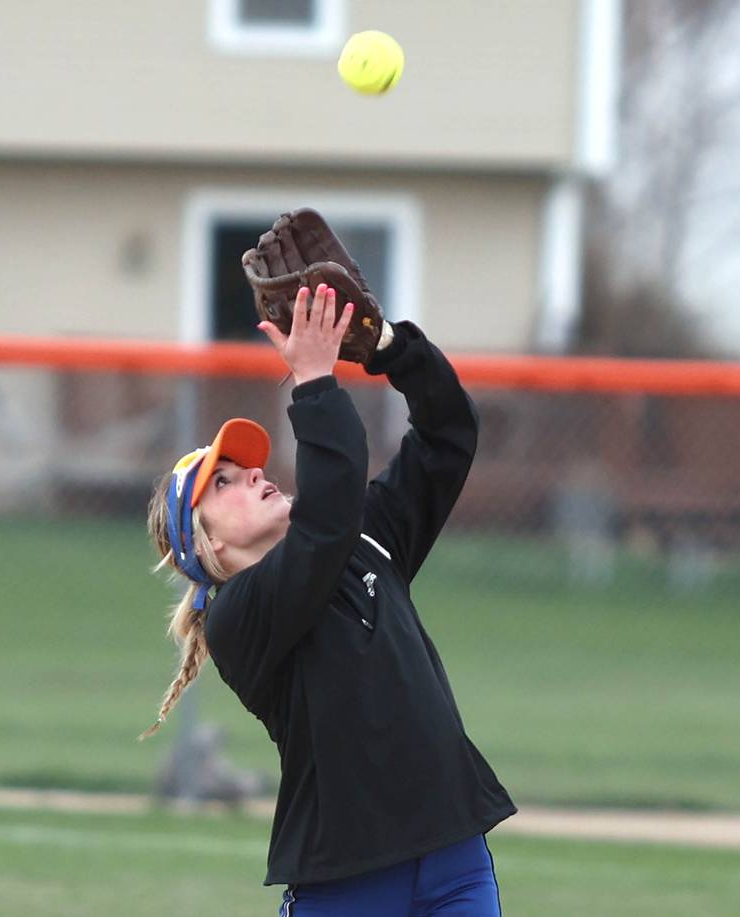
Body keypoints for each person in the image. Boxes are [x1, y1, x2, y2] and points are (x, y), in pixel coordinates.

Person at [145, 284, 517, 916]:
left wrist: (389, 348)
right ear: (203, 543)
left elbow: (449, 433)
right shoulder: (238, 615)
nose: (256, 475)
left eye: (250, 467)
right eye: (224, 484)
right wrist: (313, 381)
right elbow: (325, 522)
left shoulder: (365, 534)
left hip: (455, 856)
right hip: (347, 885)